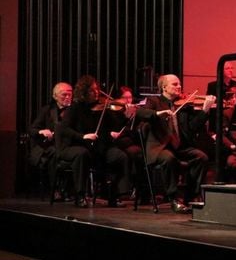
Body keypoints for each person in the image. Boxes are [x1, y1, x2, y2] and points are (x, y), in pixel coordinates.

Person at [136, 74, 215, 213]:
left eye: (179, 84)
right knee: (169, 158)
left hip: (178, 146)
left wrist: (204, 111)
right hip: (159, 147)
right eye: (175, 84)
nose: (179, 87)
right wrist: (158, 114)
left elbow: (192, 127)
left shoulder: (183, 104)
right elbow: (141, 113)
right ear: (164, 87)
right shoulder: (154, 101)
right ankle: (173, 199)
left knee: (201, 157)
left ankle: (191, 196)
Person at [54, 76, 134, 208]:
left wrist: (126, 117)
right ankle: (80, 195)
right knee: (82, 154)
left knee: (119, 156)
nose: (96, 93)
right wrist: (83, 136)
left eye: (97, 90)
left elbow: (116, 125)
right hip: (74, 146)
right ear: (84, 92)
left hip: (96, 147)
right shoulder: (75, 108)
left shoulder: (102, 108)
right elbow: (64, 129)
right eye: (92, 90)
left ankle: (114, 195)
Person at [29, 82, 73, 191]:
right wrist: (41, 131)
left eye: (70, 94)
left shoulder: (74, 111)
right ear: (55, 96)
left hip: (67, 146)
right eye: (64, 94)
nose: (68, 97)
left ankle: (74, 190)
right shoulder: (47, 110)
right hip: (48, 146)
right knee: (54, 152)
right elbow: (32, 129)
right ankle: (56, 189)